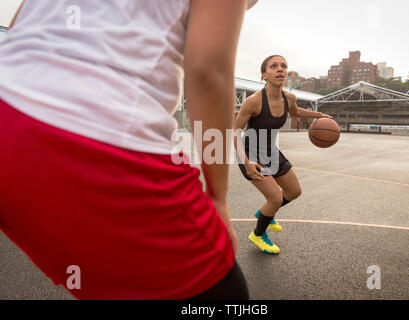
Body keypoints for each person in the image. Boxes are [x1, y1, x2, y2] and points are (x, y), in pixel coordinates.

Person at [0, 0, 258, 300]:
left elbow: (18, 27)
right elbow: (208, 72)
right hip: (88, 139)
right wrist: (217, 197)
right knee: (220, 290)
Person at [233, 55, 331, 254]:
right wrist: (247, 162)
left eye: (283, 66)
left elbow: (295, 112)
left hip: (270, 150)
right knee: (276, 198)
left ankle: (264, 213)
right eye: (274, 66)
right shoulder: (253, 102)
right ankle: (258, 235)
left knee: (294, 192)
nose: (280, 69)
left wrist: (318, 115)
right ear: (264, 75)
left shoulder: (289, 98)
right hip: (250, 154)